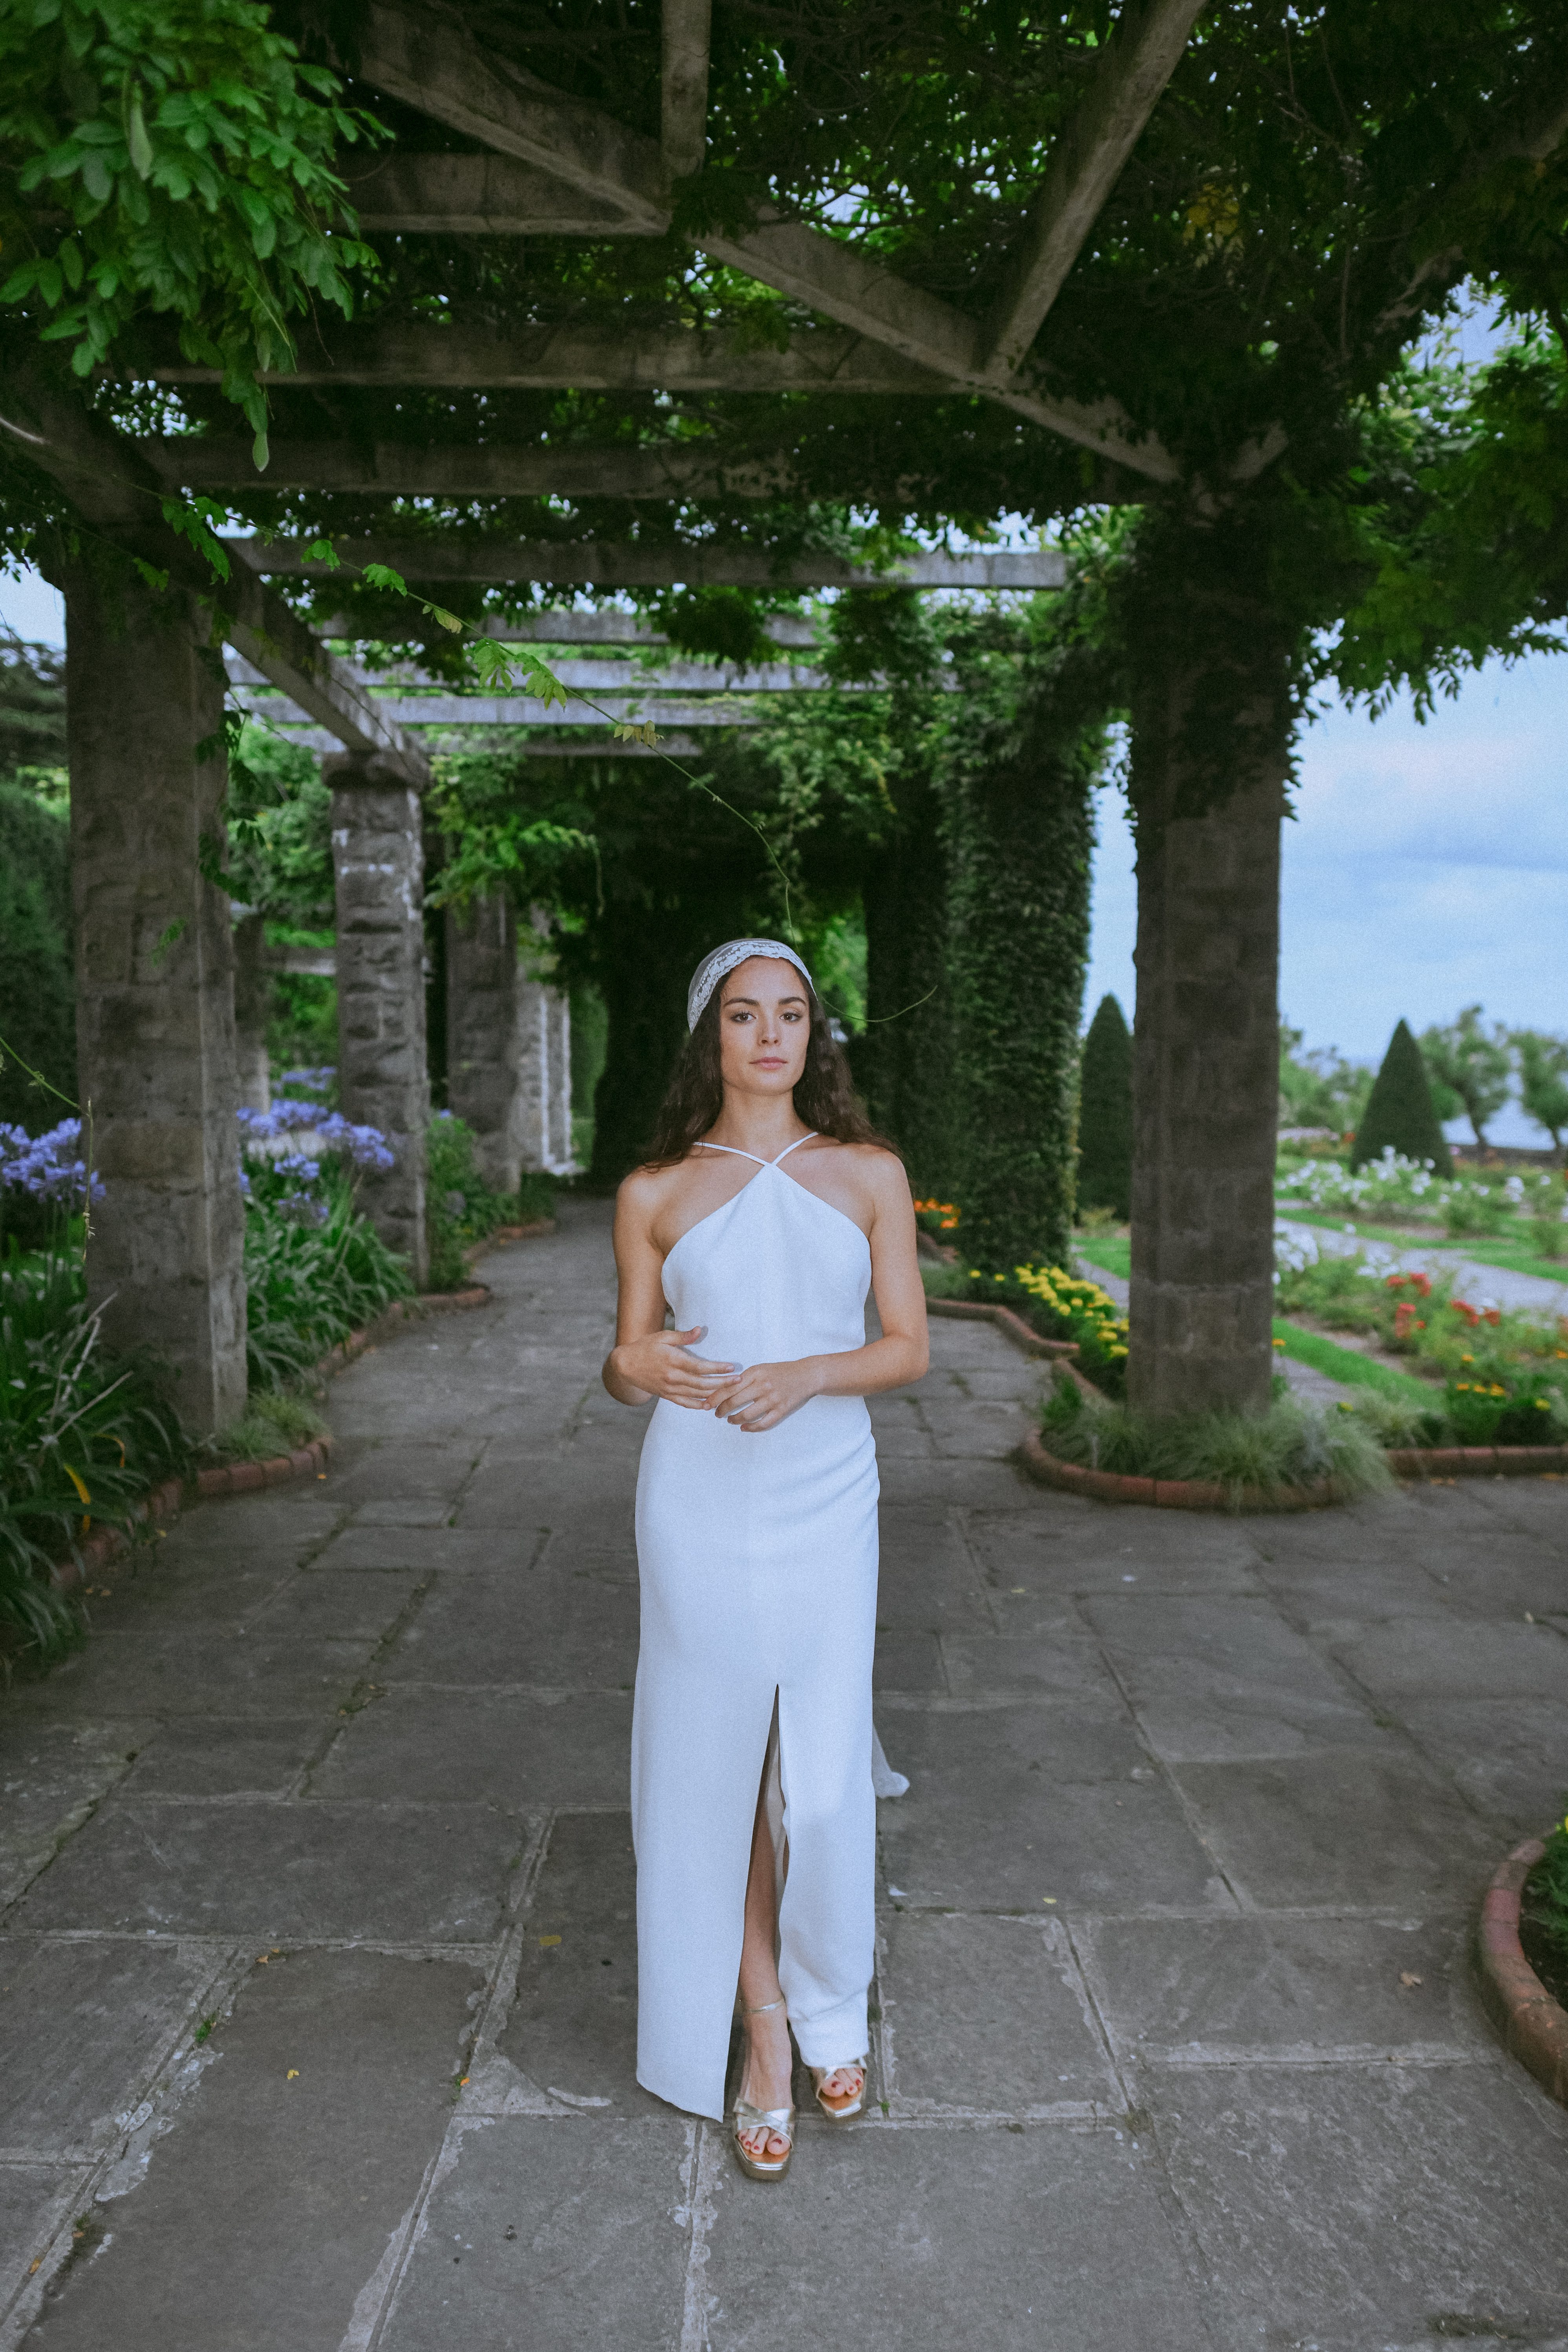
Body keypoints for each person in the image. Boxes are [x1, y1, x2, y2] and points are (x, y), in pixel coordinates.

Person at [602, 937, 928, 2180]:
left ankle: (836, 1996)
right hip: (695, 1499)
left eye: (791, 1015)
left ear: (812, 1036)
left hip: (826, 1487)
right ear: (712, 1039)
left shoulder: (868, 1174)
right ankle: (769, 2033)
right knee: (717, 1775)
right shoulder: (655, 1194)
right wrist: (628, 1365)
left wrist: (807, 1373)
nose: (771, 1036)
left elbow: (906, 1347)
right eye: (745, 1016)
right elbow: (628, 1362)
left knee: (825, 1780)